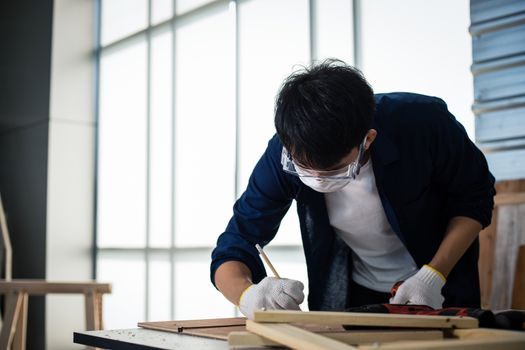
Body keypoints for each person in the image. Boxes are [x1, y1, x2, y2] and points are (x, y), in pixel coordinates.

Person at [210, 59, 495, 320]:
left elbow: (473, 199)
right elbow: (237, 241)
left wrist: (433, 275)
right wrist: (248, 296)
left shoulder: (423, 124)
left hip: (437, 285)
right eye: (304, 168)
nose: (318, 179)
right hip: (353, 292)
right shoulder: (284, 151)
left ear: (368, 139)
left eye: (334, 169)